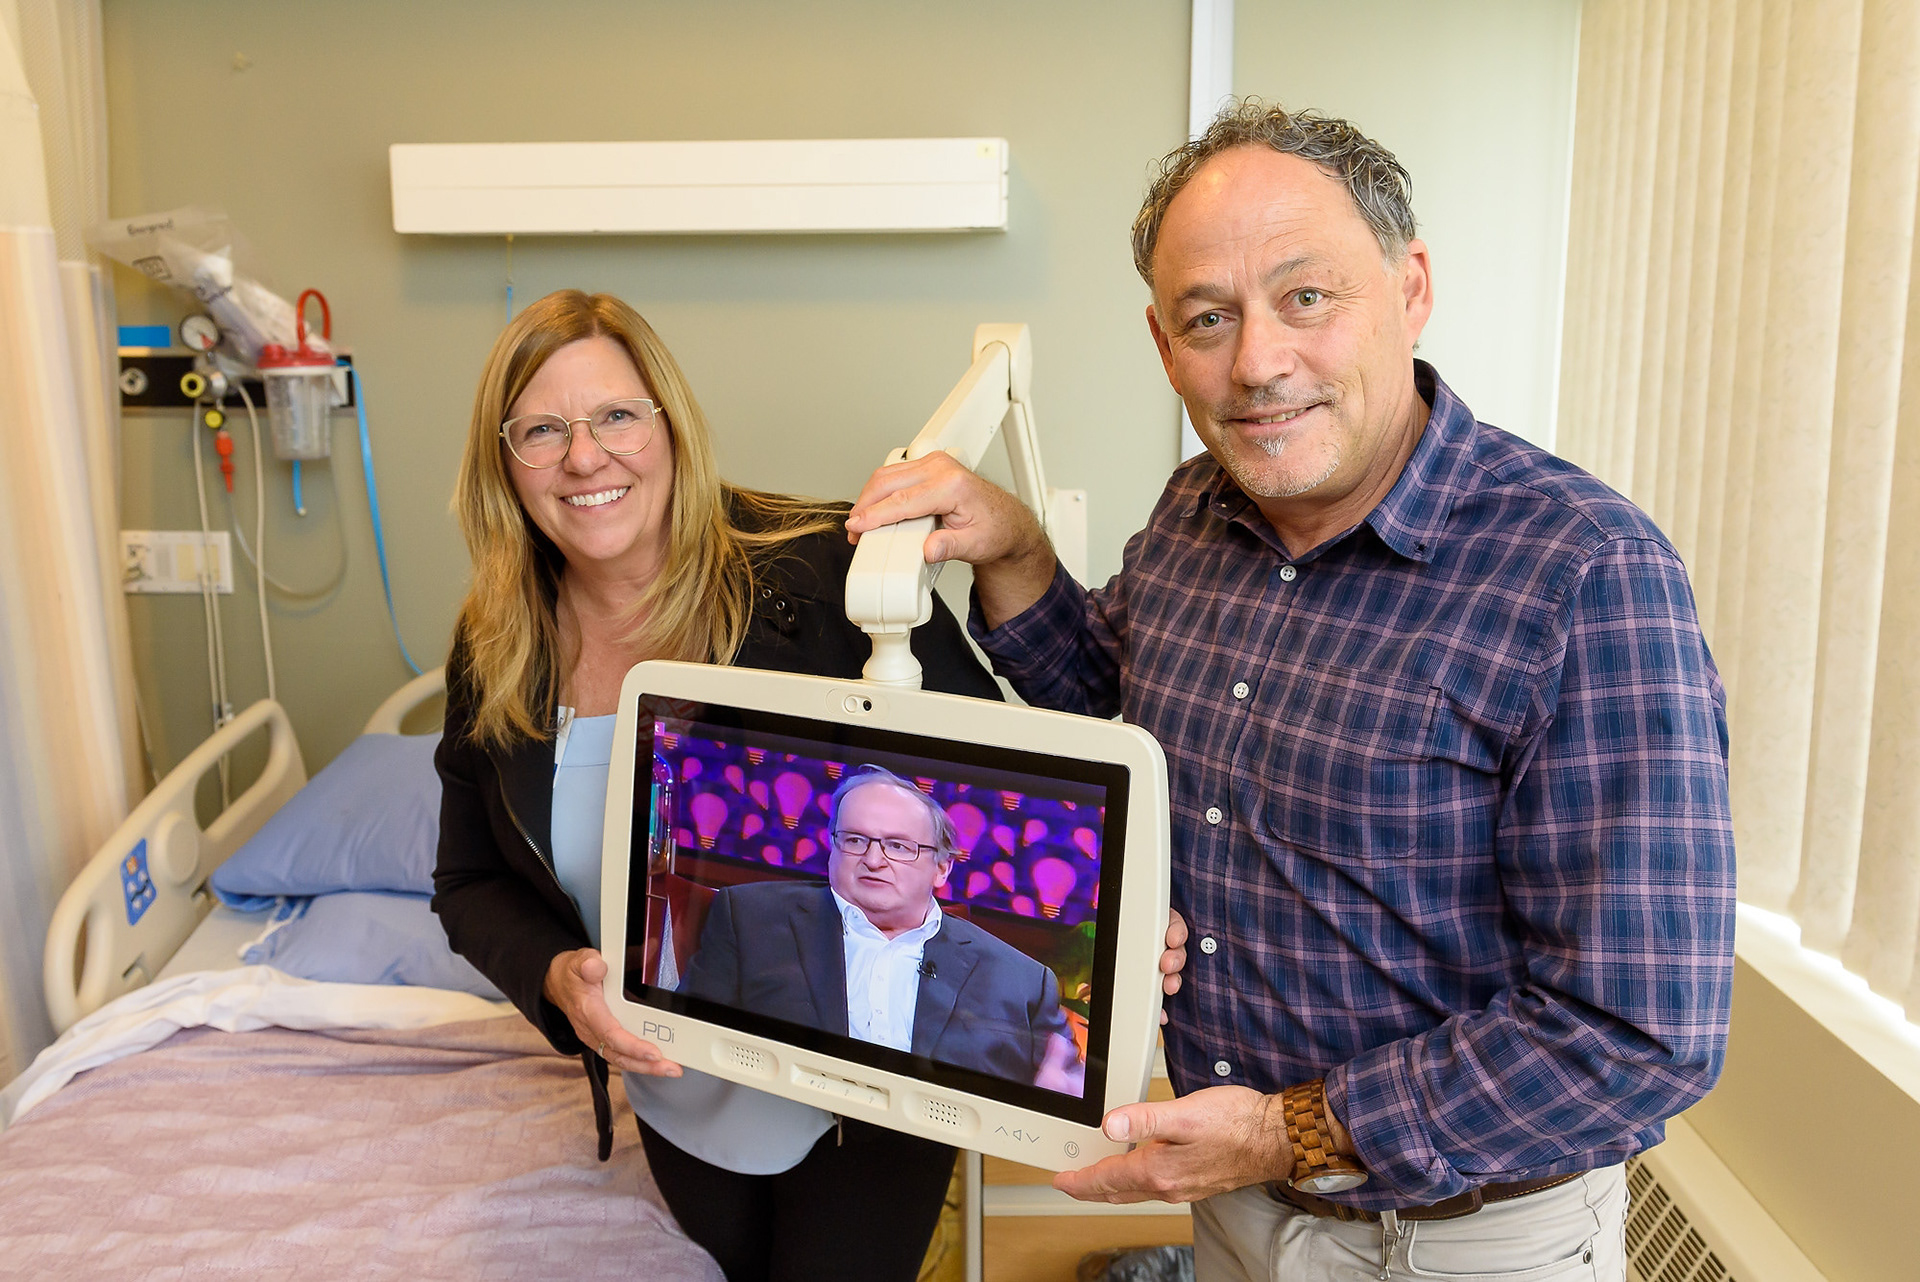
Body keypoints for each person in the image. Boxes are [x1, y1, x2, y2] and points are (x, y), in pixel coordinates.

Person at [845, 102, 1735, 1282]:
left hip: (1462, 1240)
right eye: (1209, 319)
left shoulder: (1583, 577)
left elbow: (1640, 1033)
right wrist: (1013, 553)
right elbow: (1117, 692)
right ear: (1165, 347)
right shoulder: (1194, 511)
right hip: (1235, 1206)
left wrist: (1286, 1130)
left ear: (1410, 289)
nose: (1258, 362)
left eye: (1306, 297)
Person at [430, 289, 1005, 1282]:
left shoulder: (825, 577)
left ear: (669, 425)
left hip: (860, 1098)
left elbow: (994, 800)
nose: (584, 456)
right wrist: (558, 975)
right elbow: (468, 880)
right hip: (676, 1091)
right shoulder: (496, 646)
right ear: (503, 464)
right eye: (541, 430)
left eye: (614, 414)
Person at [680, 766, 1084, 1093]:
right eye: (855, 840)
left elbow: (1063, 1084)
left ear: (942, 867)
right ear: (833, 847)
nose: (874, 860)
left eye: (899, 846)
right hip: (768, 1130)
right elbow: (685, 1038)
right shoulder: (749, 918)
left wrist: (1055, 1095)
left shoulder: (1022, 980)